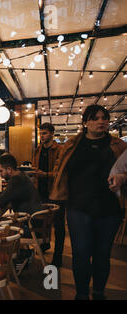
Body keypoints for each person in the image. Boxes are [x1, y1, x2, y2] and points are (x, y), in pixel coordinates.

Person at [50, 105, 127, 300]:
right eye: (95, 118)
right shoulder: (70, 146)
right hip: (78, 208)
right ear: (85, 122)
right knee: (81, 253)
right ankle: (82, 294)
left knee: (102, 254)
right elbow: (60, 172)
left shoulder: (119, 145)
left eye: (104, 118)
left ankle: (99, 293)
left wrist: (123, 176)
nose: (101, 121)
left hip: (110, 209)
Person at [32, 122, 65, 266]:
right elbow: (34, 167)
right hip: (40, 191)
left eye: (44, 133)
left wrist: (45, 174)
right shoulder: (38, 150)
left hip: (56, 192)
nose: (42, 136)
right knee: (40, 221)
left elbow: (61, 172)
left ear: (52, 133)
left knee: (58, 225)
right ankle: (44, 247)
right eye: (40, 133)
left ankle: (58, 256)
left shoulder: (60, 150)